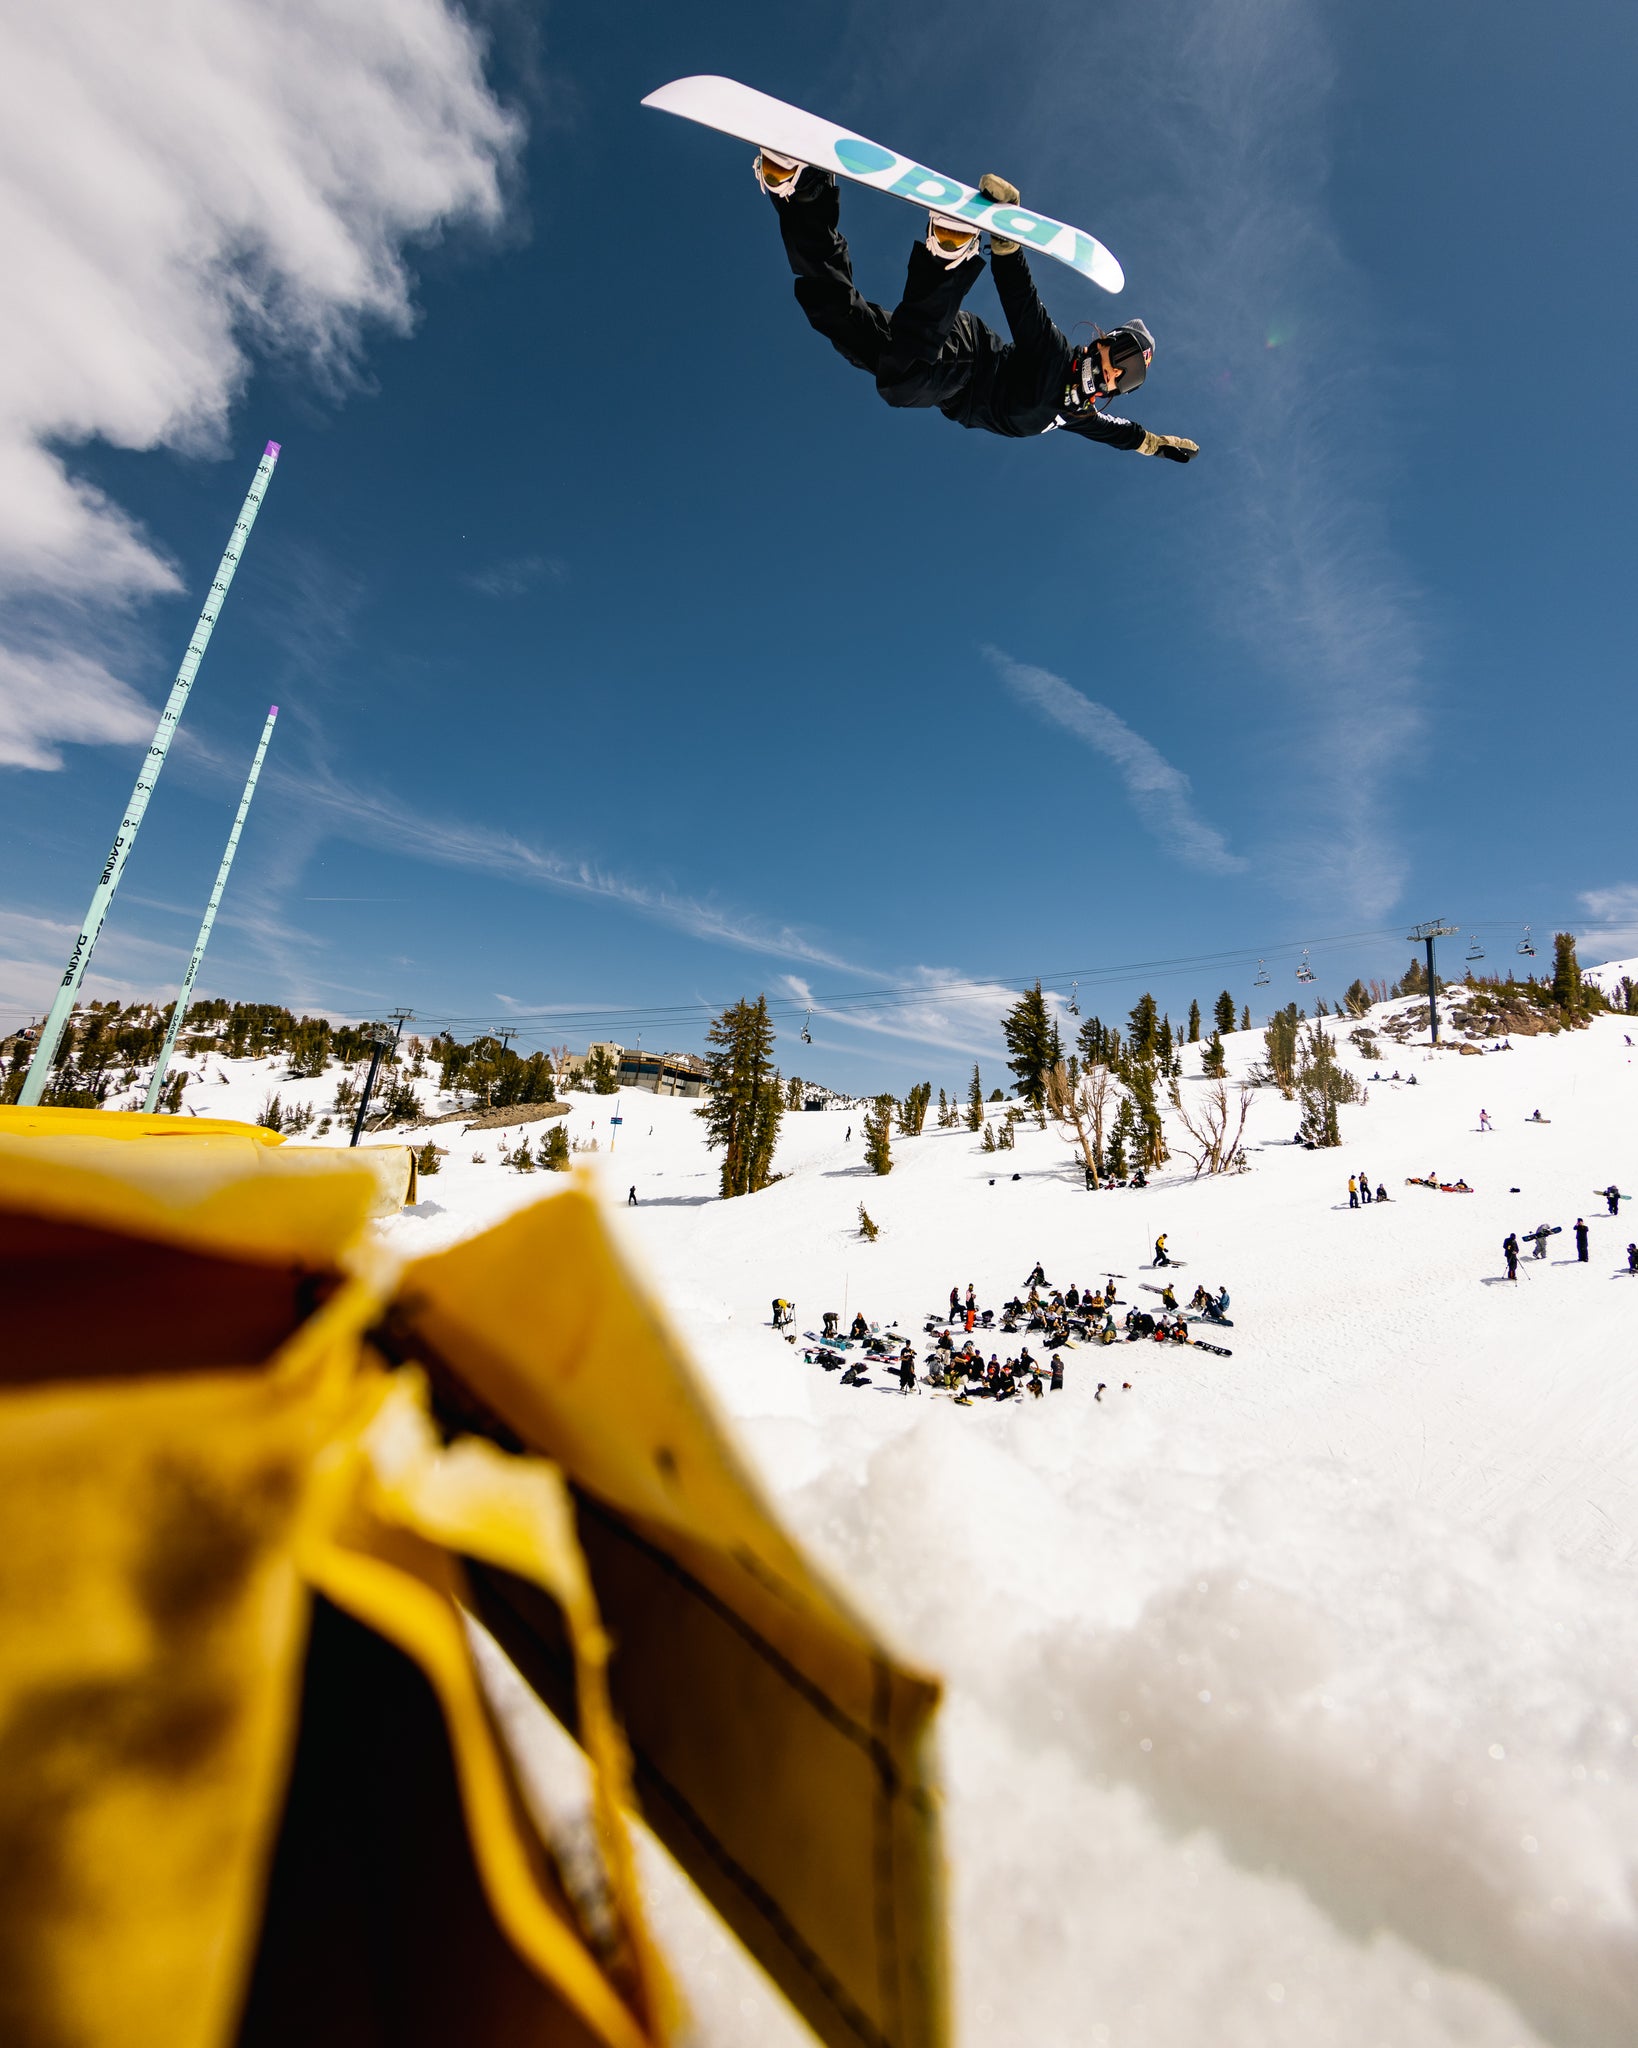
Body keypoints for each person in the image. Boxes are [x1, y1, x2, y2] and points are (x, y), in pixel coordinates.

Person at [756, 154, 1200, 464]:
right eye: (1120, 356)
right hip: (963, 358)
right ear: (1102, 342)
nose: (1114, 373)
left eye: (1129, 378)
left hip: (939, 373)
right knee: (901, 384)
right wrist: (1005, 243)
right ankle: (949, 254)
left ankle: (804, 193)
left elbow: (1123, 434)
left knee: (836, 316)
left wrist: (1159, 446)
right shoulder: (1055, 358)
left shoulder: (1081, 415)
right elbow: (1022, 302)